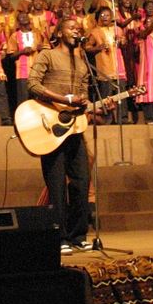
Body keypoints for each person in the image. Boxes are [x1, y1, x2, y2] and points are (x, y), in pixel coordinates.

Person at [27, 18, 101, 254]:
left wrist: (89, 104)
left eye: (78, 29)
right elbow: (33, 85)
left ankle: (78, 235)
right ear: (59, 32)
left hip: (73, 129)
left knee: (81, 180)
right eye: (71, 28)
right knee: (57, 185)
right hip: (49, 127)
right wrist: (63, 99)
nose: (76, 31)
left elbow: (83, 96)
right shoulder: (47, 56)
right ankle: (59, 238)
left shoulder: (82, 63)